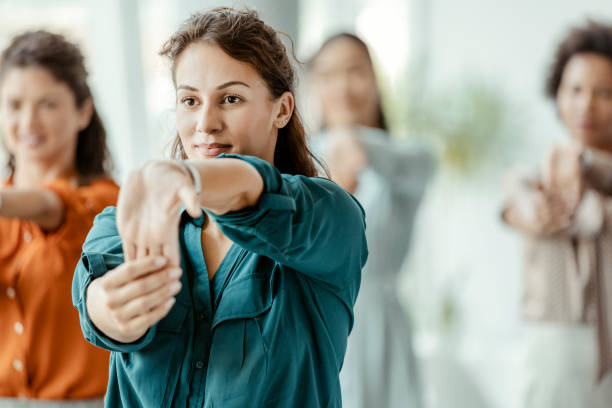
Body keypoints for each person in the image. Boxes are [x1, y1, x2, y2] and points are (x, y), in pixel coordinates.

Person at [72, 8, 368, 408]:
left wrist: (190, 178)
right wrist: (109, 309)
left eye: (231, 98)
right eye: (190, 100)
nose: (205, 122)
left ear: (282, 109)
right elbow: (97, 305)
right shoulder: (126, 223)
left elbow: (252, 187)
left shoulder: (328, 216)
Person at [309, 33, 434, 408]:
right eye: (329, 75)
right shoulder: (298, 162)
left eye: (355, 72)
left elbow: (374, 154)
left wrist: (348, 140)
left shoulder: (409, 158)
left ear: (376, 81)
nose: (343, 86)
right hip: (315, 323)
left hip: (382, 331)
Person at [0, 31, 118, 406]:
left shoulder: (105, 205)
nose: (28, 121)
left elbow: (53, 206)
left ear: (83, 111)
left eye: (47, 104)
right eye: (15, 104)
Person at [503, 20, 612, 407]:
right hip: (554, 353)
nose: (587, 105)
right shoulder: (532, 177)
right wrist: (533, 209)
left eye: (605, 93)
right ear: (557, 93)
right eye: (576, 90)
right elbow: (518, 206)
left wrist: (583, 172)